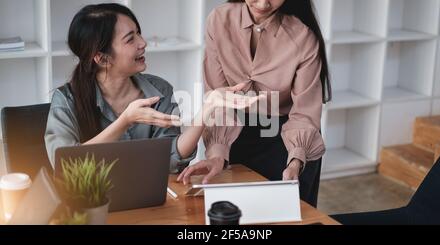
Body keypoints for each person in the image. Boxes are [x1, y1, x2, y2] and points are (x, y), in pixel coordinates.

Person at [44, 3, 261, 173]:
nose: (143, 42)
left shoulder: (159, 89)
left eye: (138, 33)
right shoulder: (66, 100)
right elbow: (65, 165)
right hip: (92, 206)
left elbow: (171, 159)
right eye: (130, 39)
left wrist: (207, 108)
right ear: (101, 58)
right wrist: (125, 120)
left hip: (148, 199)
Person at [178, 0, 331, 207]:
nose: (262, 3)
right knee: (236, 216)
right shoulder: (219, 20)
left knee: (287, 215)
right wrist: (217, 153)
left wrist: (295, 161)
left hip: (289, 137)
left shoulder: (303, 37)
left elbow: (304, 112)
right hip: (234, 132)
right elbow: (218, 97)